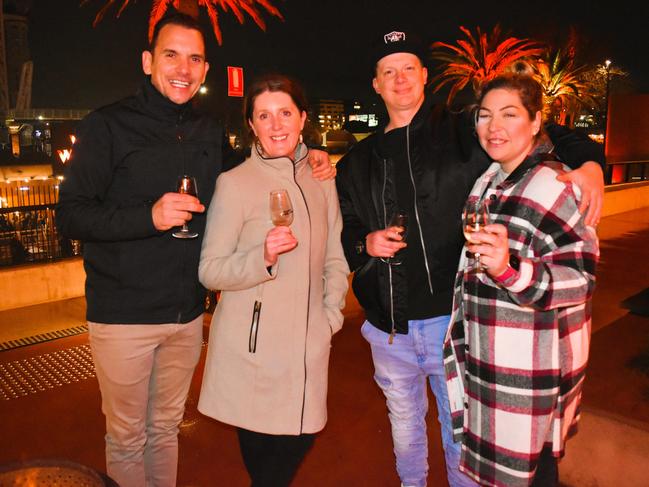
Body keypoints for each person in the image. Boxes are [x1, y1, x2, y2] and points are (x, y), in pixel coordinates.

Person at [55, 14, 334, 487]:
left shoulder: (207, 130)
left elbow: (251, 170)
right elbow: (71, 216)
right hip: (123, 315)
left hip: (186, 315)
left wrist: (310, 155)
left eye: (195, 58)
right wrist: (149, 216)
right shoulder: (107, 125)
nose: (183, 67)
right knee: (125, 437)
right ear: (148, 62)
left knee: (165, 429)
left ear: (205, 71)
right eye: (171, 55)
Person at [335, 30, 605, 487]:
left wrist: (591, 161)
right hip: (389, 329)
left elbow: (533, 130)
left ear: (423, 76)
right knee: (404, 432)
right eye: (388, 71)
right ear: (376, 84)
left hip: (455, 325)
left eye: (408, 69)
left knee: (463, 438)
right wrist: (365, 244)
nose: (399, 80)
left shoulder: (464, 129)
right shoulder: (354, 161)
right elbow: (347, 231)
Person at [443, 72, 599, 486]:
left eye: (509, 114)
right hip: (489, 361)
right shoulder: (488, 182)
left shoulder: (556, 185)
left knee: (535, 473)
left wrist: (510, 268)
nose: (494, 127)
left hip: (529, 373)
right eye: (485, 115)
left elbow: (580, 279)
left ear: (535, 121)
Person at [197, 73, 349, 486]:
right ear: (252, 125)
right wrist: (260, 257)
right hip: (254, 356)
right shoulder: (235, 184)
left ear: (303, 118)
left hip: (306, 350)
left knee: (299, 441)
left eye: (285, 113)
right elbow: (210, 270)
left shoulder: (322, 180)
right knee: (269, 474)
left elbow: (335, 256)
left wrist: (330, 316)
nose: (276, 125)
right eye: (264, 116)